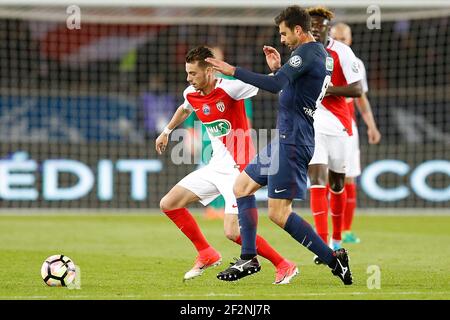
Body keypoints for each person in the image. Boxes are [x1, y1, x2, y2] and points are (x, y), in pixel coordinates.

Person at [206, 5, 353, 285]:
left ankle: (335, 260)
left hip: (294, 141)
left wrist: (232, 70)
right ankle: (249, 257)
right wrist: (278, 70)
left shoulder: (308, 52)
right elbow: (292, 87)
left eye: (284, 34)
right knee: (241, 187)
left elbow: (275, 87)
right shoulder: (314, 54)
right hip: (284, 137)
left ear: (299, 30)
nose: (282, 40)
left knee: (278, 213)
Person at [156, 46, 298, 284]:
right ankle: (206, 253)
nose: (189, 79)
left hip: (237, 170)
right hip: (214, 167)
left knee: (232, 232)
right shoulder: (191, 92)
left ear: (209, 71)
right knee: (169, 204)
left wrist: (278, 68)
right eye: (187, 73)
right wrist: (167, 131)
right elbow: (184, 108)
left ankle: (285, 264)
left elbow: (272, 83)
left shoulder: (231, 87)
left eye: (193, 73)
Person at [306, 7, 363, 261]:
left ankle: (337, 238)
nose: (316, 29)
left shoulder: (342, 52)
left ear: (328, 26)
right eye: (312, 25)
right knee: (316, 178)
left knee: (337, 184)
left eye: (320, 25)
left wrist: (329, 90)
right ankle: (321, 245)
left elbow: (358, 89)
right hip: (312, 124)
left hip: (339, 125)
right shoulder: (302, 51)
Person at [183, 46, 254, 220]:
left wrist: (247, 133)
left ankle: (226, 209)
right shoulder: (196, 86)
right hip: (208, 134)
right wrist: (189, 133)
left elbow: (246, 110)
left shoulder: (231, 85)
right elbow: (188, 110)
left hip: (232, 135)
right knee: (211, 169)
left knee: (230, 172)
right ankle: (215, 208)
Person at [329, 22, 382, 243]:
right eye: (336, 38)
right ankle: (324, 228)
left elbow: (361, 99)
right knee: (322, 178)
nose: (340, 42)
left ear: (350, 41)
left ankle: (345, 230)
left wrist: (371, 125)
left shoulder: (355, 64)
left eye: (344, 38)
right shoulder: (322, 60)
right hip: (323, 126)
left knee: (347, 178)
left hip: (347, 128)